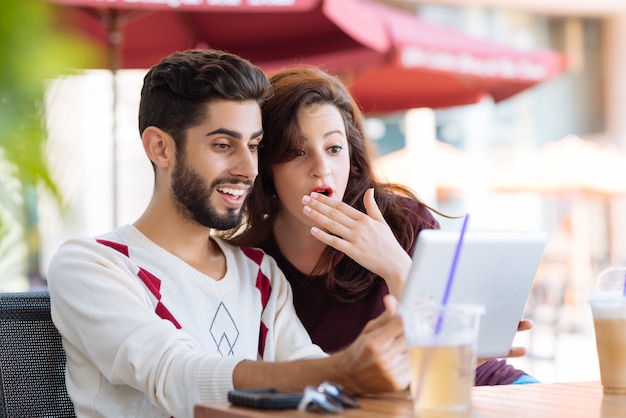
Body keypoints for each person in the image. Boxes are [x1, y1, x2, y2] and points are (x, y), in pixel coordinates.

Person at [47, 50, 410, 418]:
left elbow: (309, 371)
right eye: (223, 145)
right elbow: (176, 377)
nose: (247, 169)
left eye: (253, 146)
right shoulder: (91, 265)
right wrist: (341, 369)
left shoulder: (259, 272)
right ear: (160, 148)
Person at [221, 66, 539, 386]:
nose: (322, 169)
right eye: (297, 152)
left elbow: (451, 344)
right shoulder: (249, 263)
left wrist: (395, 265)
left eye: (334, 148)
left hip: (467, 384)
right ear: (266, 166)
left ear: (352, 155)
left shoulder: (404, 223)